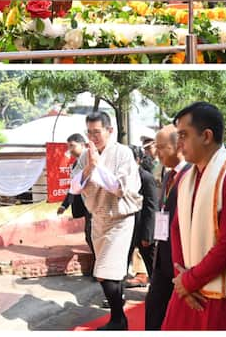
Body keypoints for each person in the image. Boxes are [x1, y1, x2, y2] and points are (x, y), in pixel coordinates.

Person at [161, 102, 226, 330]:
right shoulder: (186, 178)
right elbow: (176, 229)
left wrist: (188, 281)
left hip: (222, 293)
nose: (179, 143)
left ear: (206, 136)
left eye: (183, 135)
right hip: (188, 289)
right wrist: (181, 279)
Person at [69, 112, 142, 330]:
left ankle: (118, 319)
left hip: (120, 218)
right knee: (111, 272)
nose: (93, 137)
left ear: (110, 130)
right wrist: (90, 166)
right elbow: (74, 187)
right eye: (89, 132)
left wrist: (98, 165)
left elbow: (119, 188)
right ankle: (119, 318)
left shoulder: (123, 153)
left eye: (97, 132)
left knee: (105, 272)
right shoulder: (85, 157)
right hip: (97, 218)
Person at [145, 125, 191, 330]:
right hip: (163, 256)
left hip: (182, 259)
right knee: (154, 308)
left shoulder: (191, 175)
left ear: (179, 146)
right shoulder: (167, 175)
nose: (157, 152)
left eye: (162, 147)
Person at [57, 134, 95, 268]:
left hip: (95, 204)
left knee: (93, 235)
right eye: (68, 147)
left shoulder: (92, 160)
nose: (70, 150)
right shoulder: (75, 165)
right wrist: (64, 205)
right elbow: (74, 187)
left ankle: (100, 267)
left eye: (72, 146)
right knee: (89, 235)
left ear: (83, 145)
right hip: (85, 205)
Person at [126, 154, 157, 288]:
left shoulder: (146, 177)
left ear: (137, 160)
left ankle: (157, 289)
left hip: (142, 228)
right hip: (126, 229)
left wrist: (148, 235)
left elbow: (151, 207)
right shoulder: (123, 177)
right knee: (121, 265)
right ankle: (117, 295)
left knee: (152, 264)